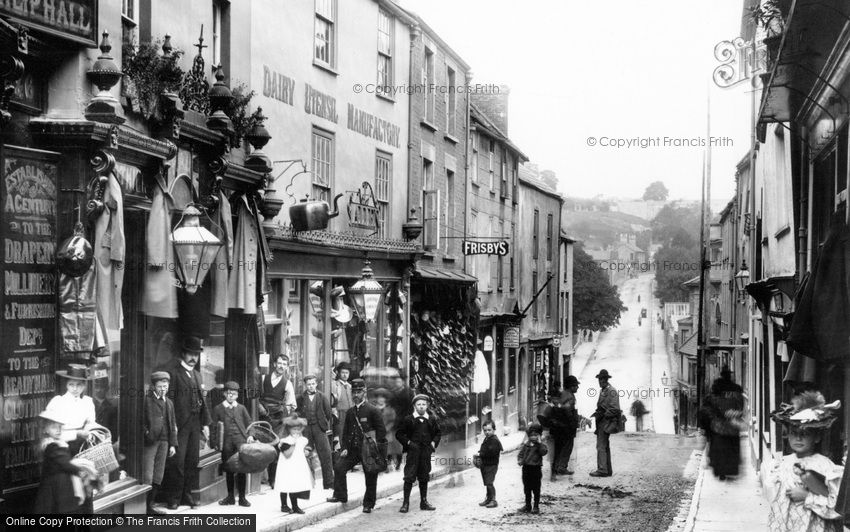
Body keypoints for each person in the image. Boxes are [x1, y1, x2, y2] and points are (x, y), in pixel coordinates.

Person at [767, 391, 843, 531]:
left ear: (817, 437)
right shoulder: (782, 463)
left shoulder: (825, 466)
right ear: (787, 435)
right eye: (794, 433)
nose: (798, 438)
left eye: (805, 434)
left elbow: (837, 507)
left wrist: (807, 496)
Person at [157, 335, 211, 509]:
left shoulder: (197, 375)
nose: (193, 358)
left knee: (192, 461)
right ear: (183, 354)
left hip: (195, 425)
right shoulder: (173, 374)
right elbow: (169, 403)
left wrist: (205, 423)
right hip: (179, 425)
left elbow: (203, 401)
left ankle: (187, 495)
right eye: (190, 354)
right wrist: (171, 426)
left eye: (196, 354)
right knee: (177, 462)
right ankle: (173, 498)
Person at [327, 378, 387, 513]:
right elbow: (346, 432)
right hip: (353, 450)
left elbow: (381, 432)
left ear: (364, 392)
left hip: (368, 451)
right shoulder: (350, 412)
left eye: (359, 392)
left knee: (370, 476)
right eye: (353, 391)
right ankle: (341, 496)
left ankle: (368, 504)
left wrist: (377, 451)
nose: (355, 395)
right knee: (339, 467)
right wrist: (345, 448)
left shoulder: (373, 410)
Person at [33, 408, 100, 514]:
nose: (58, 430)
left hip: (60, 486)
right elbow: (64, 463)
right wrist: (80, 471)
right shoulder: (52, 446)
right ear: (45, 429)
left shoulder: (57, 443)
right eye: (54, 427)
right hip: (55, 489)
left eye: (60, 427)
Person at [395, 394, 441, 513]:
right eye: (419, 404)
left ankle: (424, 502)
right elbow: (399, 434)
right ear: (415, 406)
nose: (421, 407)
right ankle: (405, 503)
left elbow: (437, 433)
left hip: (425, 452)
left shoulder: (431, 419)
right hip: (413, 452)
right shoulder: (408, 419)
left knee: (424, 476)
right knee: (409, 476)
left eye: (423, 404)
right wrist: (409, 443)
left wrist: (433, 443)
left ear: (427, 406)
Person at [211, 381, 254, 507]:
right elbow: (213, 427)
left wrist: (251, 435)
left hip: (241, 442)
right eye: (229, 393)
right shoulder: (218, 409)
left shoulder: (241, 408)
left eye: (234, 394)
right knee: (229, 469)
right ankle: (230, 497)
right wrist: (215, 443)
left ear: (237, 395)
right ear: (224, 394)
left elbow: (250, 423)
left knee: (242, 469)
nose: (231, 396)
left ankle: (242, 498)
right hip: (226, 443)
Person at [258, 353, 297, 488]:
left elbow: (292, 405)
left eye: (284, 364)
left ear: (287, 367)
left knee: (275, 448)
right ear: (274, 364)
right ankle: (259, 479)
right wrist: (259, 406)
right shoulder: (263, 378)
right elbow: (255, 395)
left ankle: (272, 480)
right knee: (261, 447)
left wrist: (284, 410)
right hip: (262, 418)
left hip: (277, 420)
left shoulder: (288, 384)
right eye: (279, 363)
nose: (281, 366)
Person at [142, 371, 178, 515]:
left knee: (158, 475)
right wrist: (146, 433)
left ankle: (150, 505)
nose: (163, 389)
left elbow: (173, 424)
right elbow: (140, 421)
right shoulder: (146, 400)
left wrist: (173, 444)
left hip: (164, 442)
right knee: (148, 475)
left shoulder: (169, 403)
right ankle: (143, 507)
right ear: (154, 386)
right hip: (150, 442)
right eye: (160, 386)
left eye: (165, 386)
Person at [700, 366, 744, 479]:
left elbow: (708, 404)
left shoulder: (716, 388)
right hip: (730, 425)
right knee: (729, 448)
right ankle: (728, 469)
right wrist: (736, 413)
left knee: (720, 449)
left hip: (719, 425)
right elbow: (740, 405)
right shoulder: (736, 389)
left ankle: (721, 471)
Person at [47, 364, 99, 455]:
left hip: (82, 446)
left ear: (84, 386)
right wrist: (76, 434)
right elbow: (50, 429)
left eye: (78, 385)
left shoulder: (88, 402)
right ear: (66, 385)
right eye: (71, 384)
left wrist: (89, 434)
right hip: (61, 445)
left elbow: (91, 424)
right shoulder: (57, 402)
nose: (75, 388)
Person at [296, 374, 334, 490]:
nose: (311, 386)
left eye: (313, 384)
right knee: (306, 455)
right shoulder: (301, 398)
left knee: (326, 455)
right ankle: (309, 483)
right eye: (308, 384)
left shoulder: (322, 397)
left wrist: (322, 424)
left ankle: (329, 483)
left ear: (316, 384)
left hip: (319, 428)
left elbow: (328, 413)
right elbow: (297, 413)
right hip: (306, 429)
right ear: (305, 385)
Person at [276, 416, 314, 514]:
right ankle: (283, 505)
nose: (296, 431)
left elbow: (306, 448)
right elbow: (287, 454)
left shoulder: (302, 439)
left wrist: (306, 451)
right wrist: (294, 443)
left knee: (295, 485)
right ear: (289, 429)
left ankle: (295, 505)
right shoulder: (285, 440)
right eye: (294, 429)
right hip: (287, 465)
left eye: (298, 429)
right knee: (285, 484)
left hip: (297, 464)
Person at [590, 369, 622, 477]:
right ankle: (607, 470)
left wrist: (603, 414)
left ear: (606, 380)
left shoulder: (612, 391)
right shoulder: (603, 390)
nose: (599, 382)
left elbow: (615, 409)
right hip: (601, 421)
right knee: (605, 446)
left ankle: (602, 469)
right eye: (599, 379)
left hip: (606, 422)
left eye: (601, 379)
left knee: (601, 446)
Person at [517, 423, 548, 514]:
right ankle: (527, 505)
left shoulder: (540, 445)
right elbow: (521, 454)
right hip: (526, 469)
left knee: (536, 489)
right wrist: (520, 460)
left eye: (535, 435)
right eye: (531, 435)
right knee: (527, 488)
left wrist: (539, 443)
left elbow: (544, 452)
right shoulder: (526, 445)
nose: (533, 437)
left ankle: (536, 506)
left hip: (536, 469)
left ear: (539, 435)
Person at [372, 388, 400, 471]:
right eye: (379, 397)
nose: (381, 399)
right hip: (376, 432)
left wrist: (387, 428)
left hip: (387, 432)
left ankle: (388, 465)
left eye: (382, 397)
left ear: (385, 399)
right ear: (376, 399)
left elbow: (393, 421)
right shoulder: (373, 409)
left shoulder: (390, 410)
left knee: (388, 450)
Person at [477, 420, 503, 508]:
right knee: (486, 482)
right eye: (485, 430)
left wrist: (482, 454)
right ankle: (488, 498)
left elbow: (492, 452)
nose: (487, 432)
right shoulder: (487, 439)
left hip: (492, 464)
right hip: (485, 464)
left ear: (494, 430)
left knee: (489, 482)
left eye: (489, 430)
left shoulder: (495, 440)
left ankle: (493, 500)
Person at [331, 362, 354, 451]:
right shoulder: (335, 385)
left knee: (350, 433)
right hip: (340, 413)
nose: (345, 375)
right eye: (343, 372)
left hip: (350, 413)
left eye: (347, 373)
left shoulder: (350, 386)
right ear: (339, 373)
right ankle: (339, 453)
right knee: (340, 434)